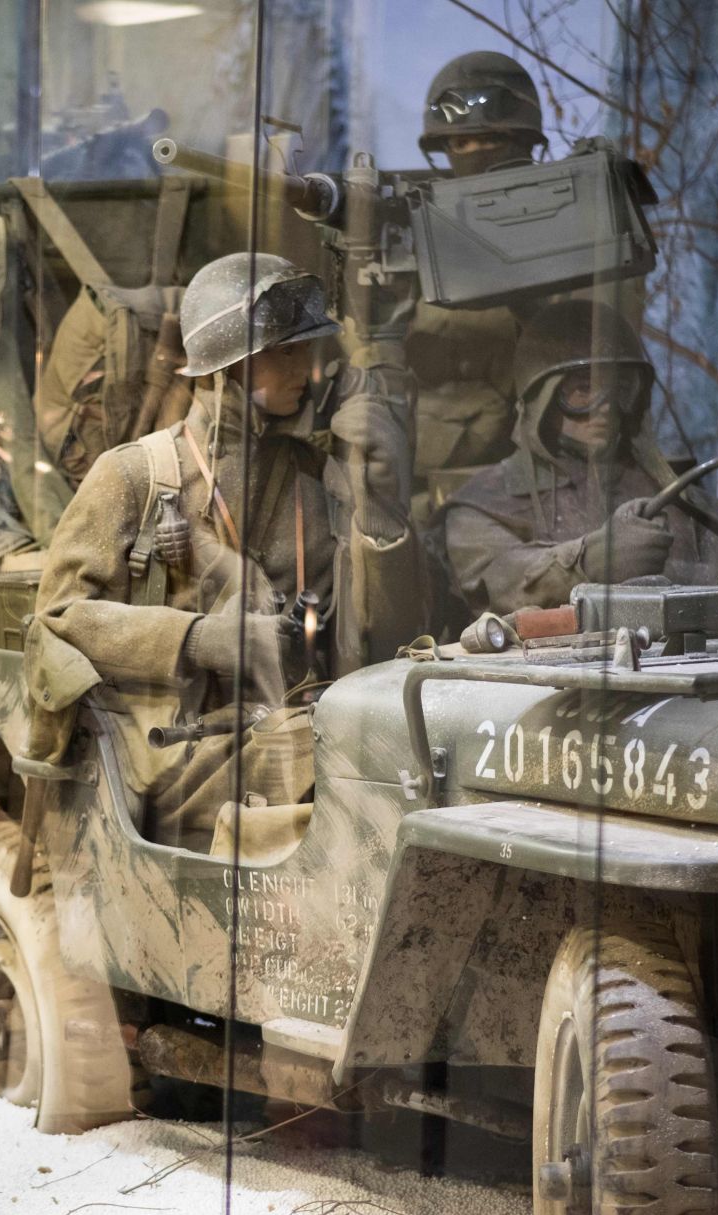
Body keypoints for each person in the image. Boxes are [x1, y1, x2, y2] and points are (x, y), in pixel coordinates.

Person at [28, 252, 426, 852]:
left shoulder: (319, 480)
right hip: (172, 760)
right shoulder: (136, 475)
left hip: (293, 737)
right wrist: (207, 641)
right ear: (225, 369)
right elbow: (59, 619)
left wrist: (379, 509)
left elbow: (386, 641)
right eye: (283, 351)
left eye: (307, 349)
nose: (306, 367)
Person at [441, 299, 718, 615]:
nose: (605, 406)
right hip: (561, 702)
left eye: (618, 387)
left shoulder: (685, 502)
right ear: (542, 402)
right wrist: (588, 563)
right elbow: (501, 583)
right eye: (583, 391)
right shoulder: (484, 507)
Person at [408, 52, 552, 517]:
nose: (472, 155)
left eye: (488, 140)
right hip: (428, 474)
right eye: (459, 144)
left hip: (532, 477)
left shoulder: (567, 226)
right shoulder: (422, 227)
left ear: (522, 143)